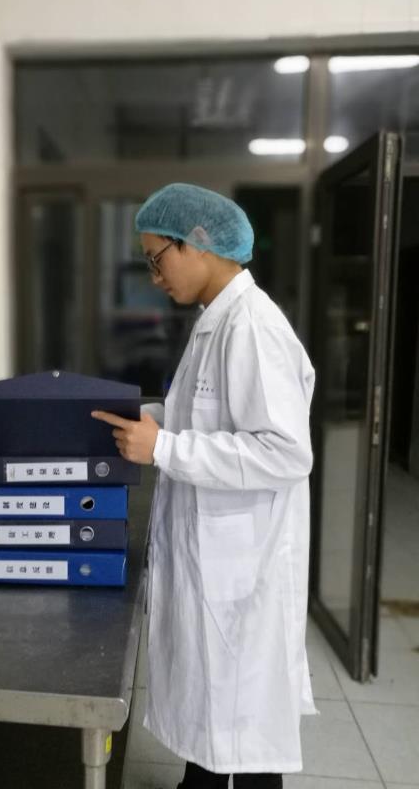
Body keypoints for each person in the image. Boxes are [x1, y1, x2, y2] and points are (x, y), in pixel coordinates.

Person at [91, 183, 316, 789]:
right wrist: (149, 420)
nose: (154, 277)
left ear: (197, 242)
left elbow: (285, 451)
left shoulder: (253, 327)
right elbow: (207, 417)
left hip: (241, 569)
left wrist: (164, 447)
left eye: (156, 259)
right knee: (221, 726)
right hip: (218, 563)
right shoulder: (215, 322)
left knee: (244, 734)